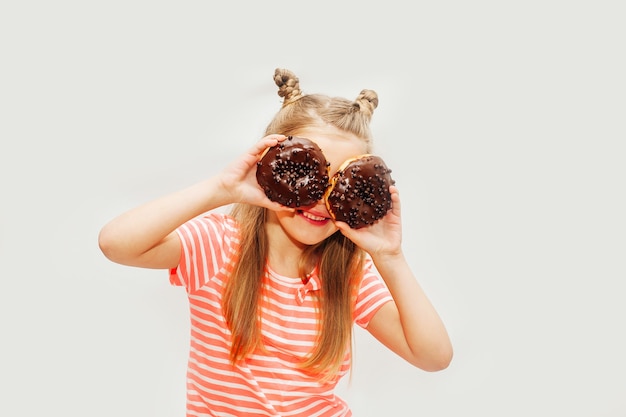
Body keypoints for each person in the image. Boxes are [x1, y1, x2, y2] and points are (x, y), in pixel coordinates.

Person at [98, 68, 453, 416]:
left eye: (341, 184)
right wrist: (221, 188)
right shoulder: (219, 246)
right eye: (307, 175)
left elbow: (433, 356)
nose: (321, 200)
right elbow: (117, 244)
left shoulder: (347, 274)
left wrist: (390, 256)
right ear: (269, 168)